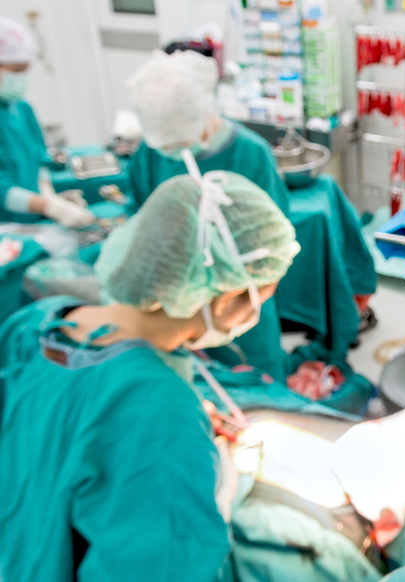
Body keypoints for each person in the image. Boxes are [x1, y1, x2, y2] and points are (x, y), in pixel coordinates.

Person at [0, 170, 299, 581]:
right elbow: (167, 564)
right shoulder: (158, 413)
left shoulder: (35, 321)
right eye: (259, 299)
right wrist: (219, 494)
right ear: (227, 299)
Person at [126, 49, 289, 218]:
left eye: (181, 142)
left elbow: (274, 224)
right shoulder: (150, 152)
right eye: (165, 146)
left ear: (202, 112)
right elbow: (139, 215)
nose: (171, 150)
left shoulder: (251, 154)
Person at [0, 17, 94, 227]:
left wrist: (47, 196)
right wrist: (49, 207)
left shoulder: (22, 108)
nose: (21, 77)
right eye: (16, 69)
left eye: (25, 69)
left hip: (30, 218)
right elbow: (1, 190)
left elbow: (39, 158)